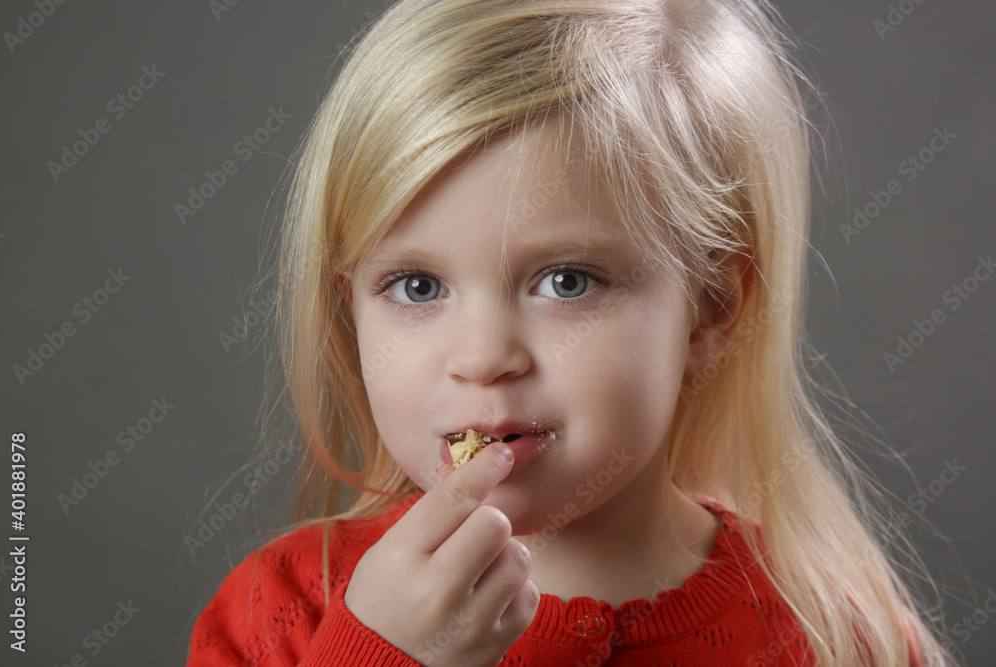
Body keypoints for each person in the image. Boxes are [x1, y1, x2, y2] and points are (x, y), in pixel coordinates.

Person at [186, 0, 957, 664]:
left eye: (567, 281)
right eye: (417, 286)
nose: (484, 356)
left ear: (712, 312)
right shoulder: (280, 618)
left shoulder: (836, 636)